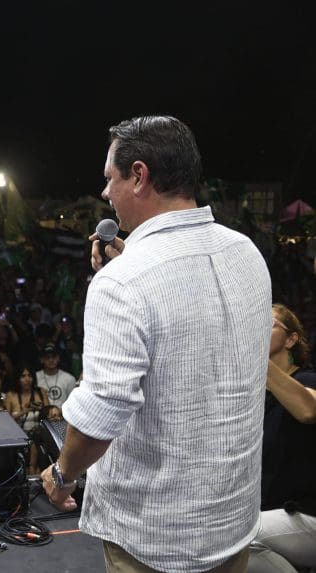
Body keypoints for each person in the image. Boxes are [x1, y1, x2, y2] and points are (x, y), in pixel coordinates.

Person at [40, 116, 272, 572]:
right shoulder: (247, 252)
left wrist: (63, 475)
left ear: (139, 176)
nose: (106, 193)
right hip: (232, 525)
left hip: (157, 541)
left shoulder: (121, 283)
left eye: (110, 178)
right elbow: (197, 319)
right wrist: (134, 261)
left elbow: (102, 412)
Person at [248, 304, 316, 572]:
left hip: (307, 514)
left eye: (269, 323)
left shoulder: (308, 378)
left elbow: (308, 410)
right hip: (273, 516)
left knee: (238, 538)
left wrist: (253, 354)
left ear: (291, 339)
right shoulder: (256, 399)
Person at [35, 344, 77, 408]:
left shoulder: (69, 378)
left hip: (64, 416)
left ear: (58, 358)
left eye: (54, 357)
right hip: (42, 415)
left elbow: (73, 403)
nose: (51, 360)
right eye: (47, 357)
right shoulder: (35, 377)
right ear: (41, 360)